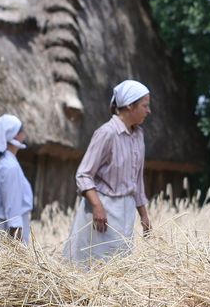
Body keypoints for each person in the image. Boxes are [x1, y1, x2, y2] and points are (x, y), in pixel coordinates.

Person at [64, 80, 153, 267]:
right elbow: (83, 174)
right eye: (145, 106)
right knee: (94, 268)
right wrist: (97, 207)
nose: (148, 111)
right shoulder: (106, 133)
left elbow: (137, 180)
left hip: (126, 212)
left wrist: (144, 215)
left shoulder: (138, 135)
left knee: (118, 271)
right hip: (103, 212)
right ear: (129, 106)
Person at [0, 114, 33, 244]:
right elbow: (13, 211)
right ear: (15, 135)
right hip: (3, 237)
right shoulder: (10, 167)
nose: (24, 135)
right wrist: (18, 248)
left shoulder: (4, 162)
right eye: (22, 131)